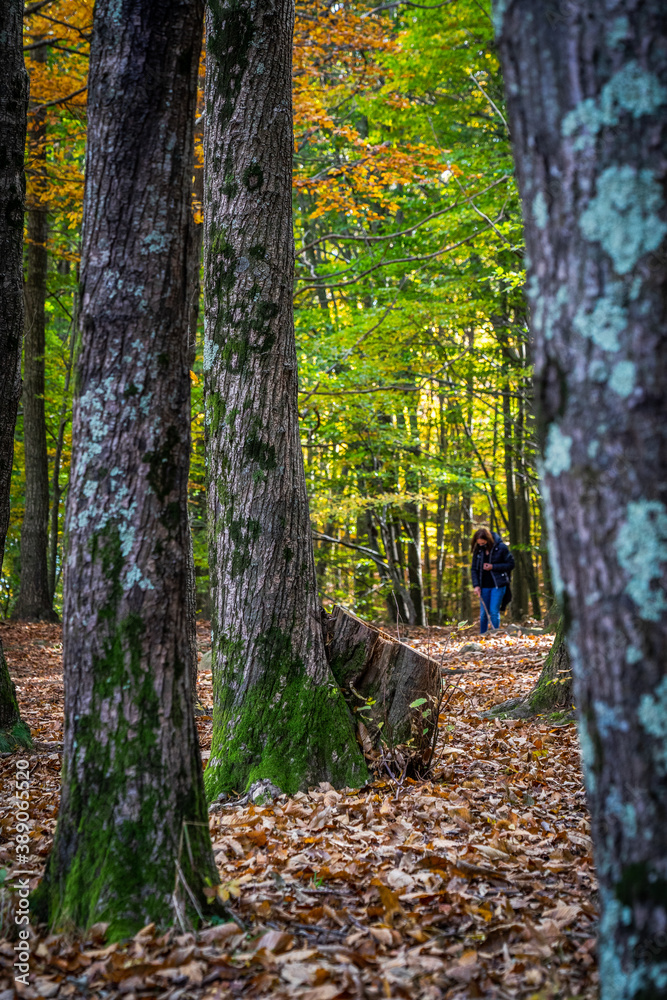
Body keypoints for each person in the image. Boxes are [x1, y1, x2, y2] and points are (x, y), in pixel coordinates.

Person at [470, 527, 514, 634]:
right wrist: (476, 585)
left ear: (488, 540)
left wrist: (493, 567)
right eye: (479, 543)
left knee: (494, 611)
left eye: (483, 543)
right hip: (483, 586)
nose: (481, 545)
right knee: (483, 613)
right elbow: (474, 569)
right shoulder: (478, 551)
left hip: (498, 585)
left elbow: (511, 564)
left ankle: (495, 634)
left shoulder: (501, 548)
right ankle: (483, 635)